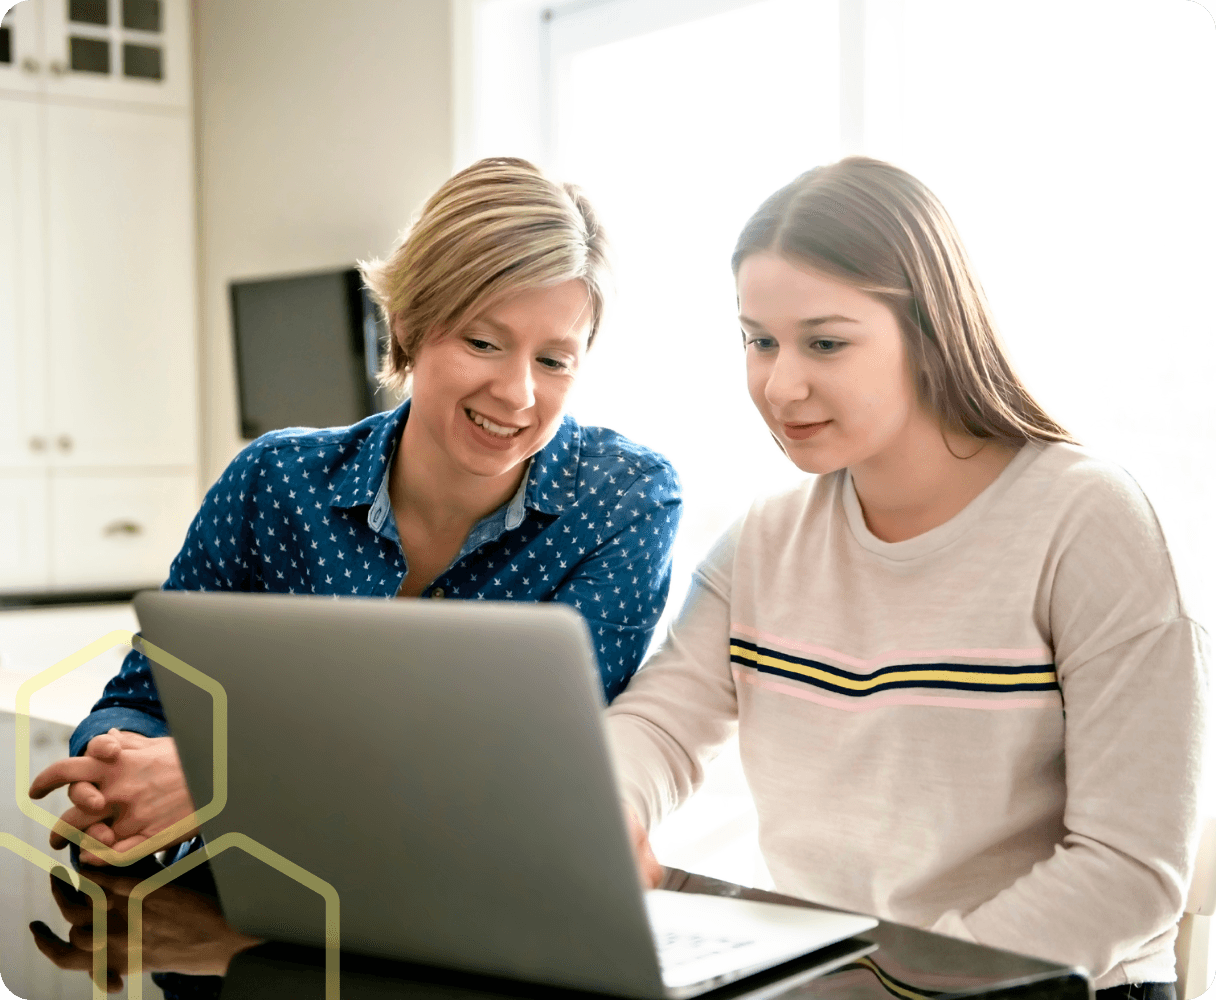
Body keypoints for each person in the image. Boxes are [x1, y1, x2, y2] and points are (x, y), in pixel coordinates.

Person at [608, 156, 1206, 1000]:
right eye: (759, 341)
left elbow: (1131, 868)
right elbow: (660, 728)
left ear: (930, 332)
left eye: (825, 342)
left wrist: (890, 980)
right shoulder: (766, 538)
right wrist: (607, 808)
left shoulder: (1088, 522)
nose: (781, 384)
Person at [29, 156, 682, 869]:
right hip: (260, 901)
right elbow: (146, 696)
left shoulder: (625, 501)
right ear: (407, 322)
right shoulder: (273, 482)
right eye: (484, 343)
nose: (518, 393)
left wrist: (228, 782)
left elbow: (525, 763)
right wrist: (112, 780)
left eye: (555, 360)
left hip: (476, 905)